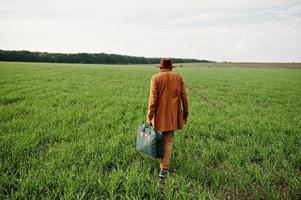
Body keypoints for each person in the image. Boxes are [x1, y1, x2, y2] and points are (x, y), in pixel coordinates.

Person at [147, 58, 189, 178]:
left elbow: (152, 101)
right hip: (172, 117)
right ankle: (163, 170)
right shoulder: (178, 77)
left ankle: (160, 162)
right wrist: (185, 114)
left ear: (161, 68)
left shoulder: (155, 78)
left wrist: (149, 117)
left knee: (157, 140)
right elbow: (184, 98)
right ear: (171, 67)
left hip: (158, 117)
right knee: (168, 141)